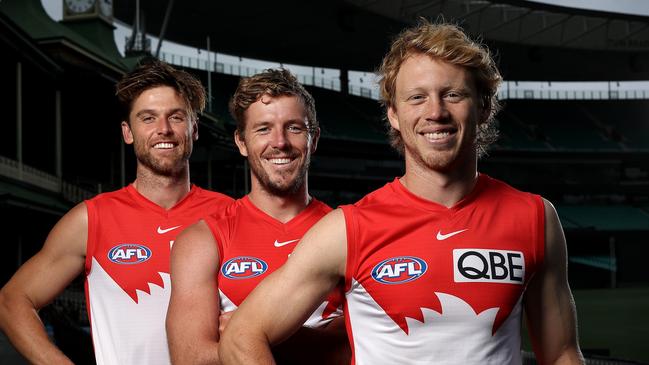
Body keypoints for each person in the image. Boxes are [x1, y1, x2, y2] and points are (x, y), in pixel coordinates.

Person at [219, 21, 584, 365]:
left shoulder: (536, 218)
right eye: (416, 98)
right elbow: (242, 336)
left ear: (484, 106)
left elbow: (562, 353)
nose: (436, 112)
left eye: (453, 94)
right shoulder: (348, 229)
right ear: (393, 113)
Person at [0, 58, 232, 365]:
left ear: (194, 129)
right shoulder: (91, 219)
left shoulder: (230, 214)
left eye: (176, 117)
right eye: (148, 119)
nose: (163, 129)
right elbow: (11, 301)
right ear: (128, 132)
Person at [166, 68, 349, 365]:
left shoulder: (348, 231)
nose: (280, 142)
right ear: (241, 142)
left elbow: (369, 347)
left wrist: (251, 332)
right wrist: (321, 341)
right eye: (263, 129)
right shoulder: (204, 238)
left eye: (294, 128)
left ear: (313, 139)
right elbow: (192, 358)